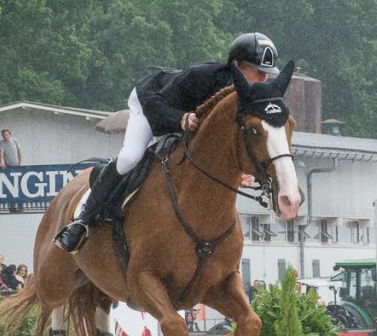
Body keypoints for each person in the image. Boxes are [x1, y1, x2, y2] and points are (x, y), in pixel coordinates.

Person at [54, 32, 280, 253]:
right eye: (258, 72)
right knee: (131, 157)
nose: (263, 79)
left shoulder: (244, 100)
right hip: (150, 105)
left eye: (267, 74)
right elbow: (154, 104)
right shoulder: (200, 76)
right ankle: (82, 218)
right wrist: (180, 118)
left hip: (185, 122)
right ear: (237, 65)